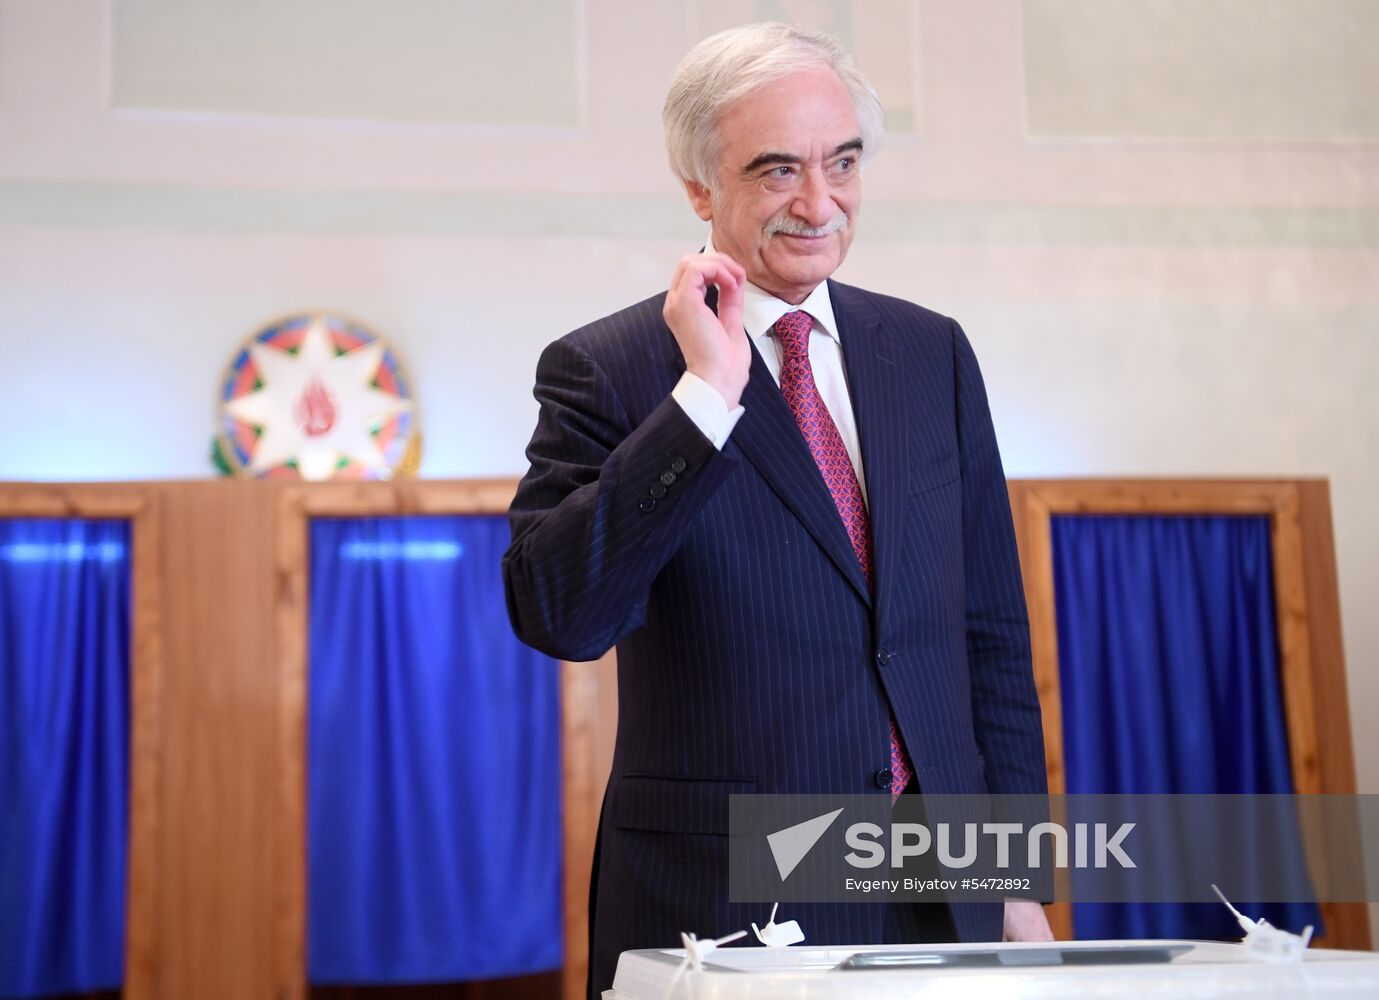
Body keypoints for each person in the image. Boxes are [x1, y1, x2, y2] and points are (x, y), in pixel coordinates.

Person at [502, 22, 1050, 995]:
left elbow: (987, 637)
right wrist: (702, 402)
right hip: (723, 898)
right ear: (697, 187)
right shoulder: (609, 369)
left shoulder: (931, 354)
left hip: (939, 884)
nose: (818, 202)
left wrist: (1012, 874)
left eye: (840, 163)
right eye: (775, 170)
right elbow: (560, 616)